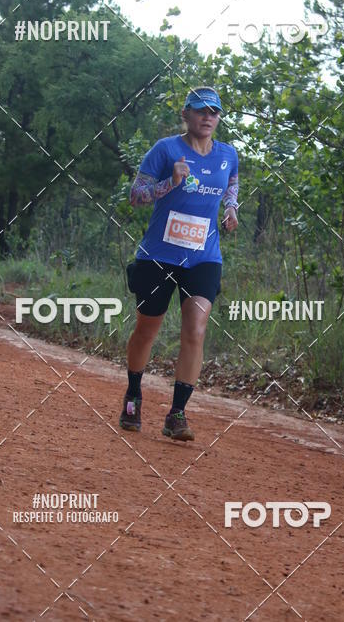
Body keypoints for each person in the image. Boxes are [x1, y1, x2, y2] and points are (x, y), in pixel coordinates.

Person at [119, 85, 239, 441]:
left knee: (196, 330)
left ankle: (177, 414)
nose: (207, 117)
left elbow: (231, 186)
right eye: (200, 110)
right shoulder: (165, 150)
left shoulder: (228, 154)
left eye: (214, 112)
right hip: (159, 255)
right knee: (147, 330)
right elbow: (136, 197)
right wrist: (170, 183)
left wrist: (231, 210)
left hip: (204, 257)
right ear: (186, 115)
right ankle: (133, 395)